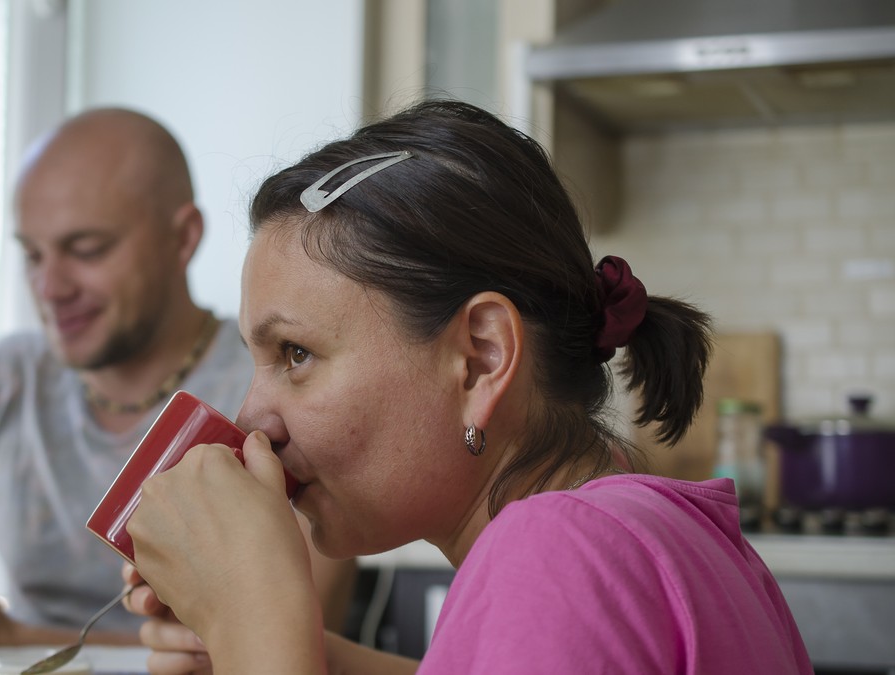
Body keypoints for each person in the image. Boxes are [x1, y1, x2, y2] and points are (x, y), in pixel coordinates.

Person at [121, 100, 814, 673]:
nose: (253, 420)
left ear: (482, 358)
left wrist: (256, 618)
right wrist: (302, 654)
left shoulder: (555, 552)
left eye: (296, 352)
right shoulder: (652, 529)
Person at [0, 108, 356, 655]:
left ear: (183, 239)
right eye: (32, 255)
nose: (49, 287)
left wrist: (4, 638)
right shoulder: (6, 381)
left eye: (87, 250)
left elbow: (293, 646)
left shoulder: (273, 389)